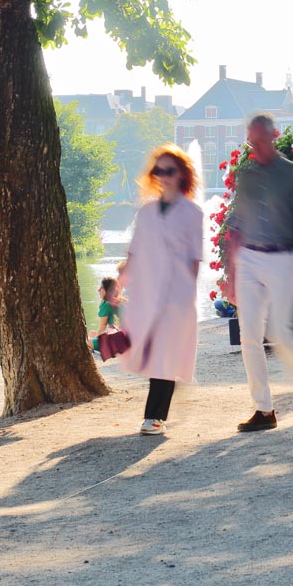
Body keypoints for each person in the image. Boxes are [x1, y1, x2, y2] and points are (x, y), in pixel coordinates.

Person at [222, 113, 293, 432]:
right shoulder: (247, 174)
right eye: (251, 142)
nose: (256, 147)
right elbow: (236, 225)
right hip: (249, 257)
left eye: (261, 141)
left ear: (274, 136)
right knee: (249, 334)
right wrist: (231, 275)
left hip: (284, 257)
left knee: (278, 333)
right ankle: (264, 410)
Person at [118, 144, 204, 436]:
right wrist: (118, 285)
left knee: (164, 356)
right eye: (159, 170)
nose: (164, 176)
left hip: (177, 296)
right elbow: (135, 253)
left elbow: (195, 259)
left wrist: (186, 297)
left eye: (170, 170)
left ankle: (154, 416)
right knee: (150, 351)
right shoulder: (147, 213)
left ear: (182, 174)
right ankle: (160, 403)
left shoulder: (192, 213)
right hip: (148, 293)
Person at [91, 276, 122, 353]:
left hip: (117, 341)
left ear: (107, 290)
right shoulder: (119, 300)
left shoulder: (106, 304)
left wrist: (96, 342)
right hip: (123, 336)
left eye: (101, 287)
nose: (98, 290)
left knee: (84, 341)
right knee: (91, 333)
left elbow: (102, 327)